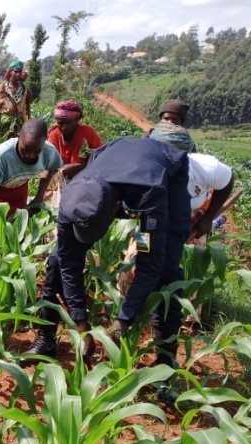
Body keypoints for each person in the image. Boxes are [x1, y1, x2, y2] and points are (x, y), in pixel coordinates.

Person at [22, 137, 191, 401]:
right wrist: (81, 324)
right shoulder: (73, 199)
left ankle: (165, 366)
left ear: (115, 210)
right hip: (110, 163)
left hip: (161, 177)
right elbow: (69, 262)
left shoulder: (150, 196)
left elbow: (149, 264)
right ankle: (46, 337)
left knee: (166, 269)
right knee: (56, 260)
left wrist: (120, 323)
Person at [148, 123, 235, 242]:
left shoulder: (206, 168)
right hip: (154, 217)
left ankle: (215, 223)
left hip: (191, 214)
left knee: (192, 247)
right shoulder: (142, 172)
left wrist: (207, 220)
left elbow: (228, 180)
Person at [0, 118, 61, 215]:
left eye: (36, 151)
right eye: (25, 150)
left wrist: (39, 197)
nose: (30, 155)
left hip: (18, 189)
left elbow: (50, 168)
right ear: (18, 136)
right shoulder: (3, 155)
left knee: (16, 224)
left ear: (45, 141)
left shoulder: (49, 151)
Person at [46, 99, 102, 184]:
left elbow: (100, 159)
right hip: (60, 181)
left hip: (85, 181)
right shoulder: (54, 135)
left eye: (68, 123)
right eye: (60, 123)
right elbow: (49, 163)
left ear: (77, 120)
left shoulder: (87, 133)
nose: (64, 127)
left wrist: (77, 167)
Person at [0, 60, 32, 146]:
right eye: (16, 72)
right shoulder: (2, 88)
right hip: (3, 124)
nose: (18, 74)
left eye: (20, 72)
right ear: (11, 72)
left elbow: (27, 109)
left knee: (18, 149)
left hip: (18, 125)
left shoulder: (25, 90)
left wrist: (27, 125)